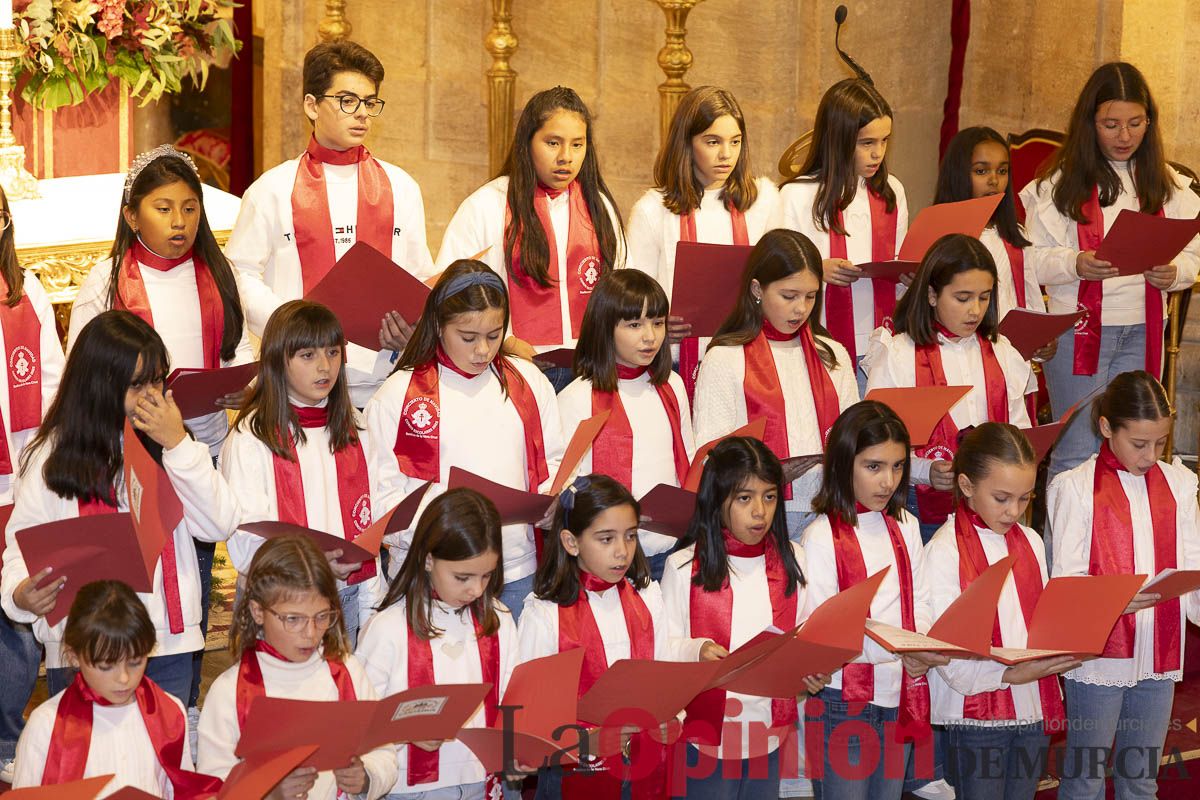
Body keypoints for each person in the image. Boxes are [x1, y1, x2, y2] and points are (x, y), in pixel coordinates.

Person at [1, 311, 238, 703]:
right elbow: (21, 551)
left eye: (157, 381)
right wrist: (21, 594)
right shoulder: (50, 454)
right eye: (136, 385)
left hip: (165, 645)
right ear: (98, 385)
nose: (151, 396)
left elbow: (219, 523)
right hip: (81, 650)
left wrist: (177, 443)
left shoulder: (174, 445)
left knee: (162, 760)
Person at [227, 41, 436, 407]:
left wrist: (413, 328)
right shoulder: (272, 189)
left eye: (370, 103)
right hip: (296, 381)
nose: (362, 115)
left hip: (382, 381)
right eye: (347, 100)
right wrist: (291, 327)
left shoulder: (401, 186)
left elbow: (419, 274)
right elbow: (239, 274)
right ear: (311, 104)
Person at [1020, 62, 1200, 484]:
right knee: (1078, 453)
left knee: (1133, 451)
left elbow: (1193, 253)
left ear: (1149, 122)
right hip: (1080, 332)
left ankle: (1117, 549)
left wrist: (1173, 273)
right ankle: (1067, 551)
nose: (1124, 136)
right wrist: (1076, 263)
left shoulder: (1168, 185)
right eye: (1111, 124)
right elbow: (1031, 259)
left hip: (1142, 327)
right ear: (1090, 123)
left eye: (1136, 123)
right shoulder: (1058, 185)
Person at [364, 260, 565, 620]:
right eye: (468, 338)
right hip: (432, 575)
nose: (483, 351)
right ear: (439, 325)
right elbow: (381, 501)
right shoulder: (398, 395)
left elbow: (555, 462)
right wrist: (445, 535)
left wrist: (555, 504)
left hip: (517, 570)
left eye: (494, 335)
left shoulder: (529, 382)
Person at [1048, 371, 1200, 800]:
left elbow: (1192, 564)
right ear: (1105, 428)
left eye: (1160, 442)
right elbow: (1066, 582)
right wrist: (1114, 600)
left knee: (1140, 779)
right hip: (1099, 657)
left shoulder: (1181, 483)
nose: (1151, 455)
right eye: (1138, 443)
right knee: (1085, 780)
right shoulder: (1074, 488)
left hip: (1160, 647)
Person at [660, 436, 823, 797]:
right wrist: (697, 649)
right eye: (744, 499)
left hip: (769, 729)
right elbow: (662, 648)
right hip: (707, 735)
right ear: (717, 502)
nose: (760, 512)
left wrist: (812, 667)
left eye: (769, 496)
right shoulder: (683, 565)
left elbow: (809, 632)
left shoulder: (793, 558)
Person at [436, 86, 626, 391]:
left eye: (578, 144)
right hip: (512, 368)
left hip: (591, 368)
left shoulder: (598, 206)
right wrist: (506, 341)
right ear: (528, 142)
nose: (566, 157)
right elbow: (452, 291)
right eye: (553, 143)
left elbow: (620, 288)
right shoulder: (488, 204)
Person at [924, 423, 1076, 799]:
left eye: (1025, 499)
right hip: (976, 711)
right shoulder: (945, 551)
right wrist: (1011, 674)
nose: (1014, 512)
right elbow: (948, 652)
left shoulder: (1032, 541)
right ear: (966, 485)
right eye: (1002, 498)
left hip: (1031, 705)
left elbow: (1041, 622)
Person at [803, 400, 945, 800]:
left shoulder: (906, 524)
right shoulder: (820, 537)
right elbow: (824, 634)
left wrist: (921, 646)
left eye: (898, 466)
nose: (888, 481)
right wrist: (900, 649)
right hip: (840, 700)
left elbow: (922, 602)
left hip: (897, 691)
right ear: (842, 464)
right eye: (874, 467)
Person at [221, 300, 385, 646]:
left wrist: (372, 599)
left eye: (333, 352)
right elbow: (245, 538)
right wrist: (310, 565)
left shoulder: (354, 425)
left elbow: (370, 519)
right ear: (278, 360)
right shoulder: (253, 437)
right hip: (279, 602)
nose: (324, 366)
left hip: (347, 593)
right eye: (307, 356)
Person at [197, 535, 398, 800]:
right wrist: (267, 792)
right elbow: (213, 786)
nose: (310, 632)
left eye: (322, 616)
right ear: (258, 611)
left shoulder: (347, 671)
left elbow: (383, 750)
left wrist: (367, 776)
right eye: (293, 619)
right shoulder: (230, 692)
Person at [863, 234, 1034, 539]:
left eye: (984, 297)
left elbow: (1019, 429)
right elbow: (874, 442)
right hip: (923, 506)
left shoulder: (1003, 352)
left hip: (995, 507)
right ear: (931, 295)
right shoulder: (898, 353)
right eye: (963, 297)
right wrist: (924, 470)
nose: (975, 310)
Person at [692, 229, 857, 536]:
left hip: (831, 506)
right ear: (757, 289)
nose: (801, 309)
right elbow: (711, 455)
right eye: (789, 296)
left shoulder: (832, 354)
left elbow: (854, 436)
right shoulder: (725, 357)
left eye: (810, 296)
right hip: (759, 514)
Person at [356, 488, 517, 799]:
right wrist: (405, 731)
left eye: (486, 576)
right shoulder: (387, 628)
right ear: (428, 559)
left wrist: (517, 746)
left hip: (479, 780)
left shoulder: (498, 619)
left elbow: (513, 700)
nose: (475, 589)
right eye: (463, 577)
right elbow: (362, 720)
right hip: (407, 787)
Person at [518, 475, 667, 798]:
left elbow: (665, 679)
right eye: (606, 539)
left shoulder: (648, 598)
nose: (622, 551)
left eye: (630, 536)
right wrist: (586, 742)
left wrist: (671, 719)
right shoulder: (545, 615)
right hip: (573, 774)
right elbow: (527, 727)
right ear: (571, 542)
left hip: (646, 770)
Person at [626, 85, 780, 396]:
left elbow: (781, 276)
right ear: (687, 142)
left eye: (735, 141)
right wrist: (658, 323)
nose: (726, 154)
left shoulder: (763, 198)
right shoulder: (653, 209)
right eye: (713, 142)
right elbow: (633, 295)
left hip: (749, 356)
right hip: (676, 359)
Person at [11, 580, 221, 798]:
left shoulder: (169, 711)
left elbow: (180, 789)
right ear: (74, 657)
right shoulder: (46, 725)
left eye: (136, 661)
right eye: (106, 666)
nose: (123, 678)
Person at [557, 269, 694, 579]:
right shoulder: (577, 397)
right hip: (609, 556)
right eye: (634, 325)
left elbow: (687, 459)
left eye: (657, 323)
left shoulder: (672, 384)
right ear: (605, 328)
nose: (650, 336)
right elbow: (567, 487)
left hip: (673, 546)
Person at [778, 78, 909, 391]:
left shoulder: (893, 191)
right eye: (867, 143)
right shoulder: (796, 195)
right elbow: (773, 271)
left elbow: (901, 257)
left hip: (883, 341)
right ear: (837, 139)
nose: (878, 153)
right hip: (818, 340)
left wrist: (908, 275)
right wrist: (816, 268)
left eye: (884, 141)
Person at [0, 183, 65, 782]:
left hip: (19, 478)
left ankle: (9, 737)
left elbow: (50, 382)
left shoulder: (29, 296)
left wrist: (38, 462)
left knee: (17, 621)